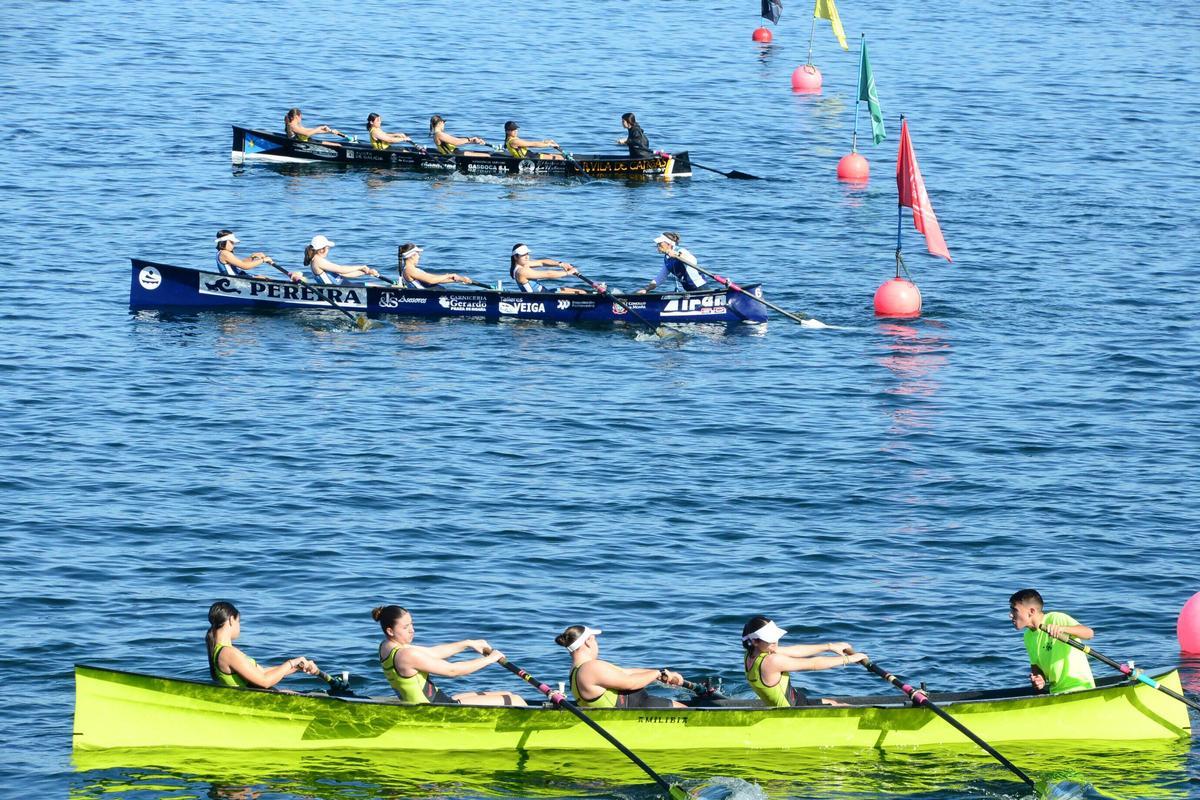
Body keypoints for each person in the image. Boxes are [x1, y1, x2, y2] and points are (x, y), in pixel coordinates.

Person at [372, 605, 527, 706]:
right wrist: (490, 659)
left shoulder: (387, 647)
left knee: (507, 694)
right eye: (406, 627)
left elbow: (433, 653)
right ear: (390, 631)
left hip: (436, 701)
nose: (412, 630)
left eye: (412, 624)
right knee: (517, 701)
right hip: (434, 710)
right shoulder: (406, 654)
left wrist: (468, 643)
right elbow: (453, 671)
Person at [741, 616, 867, 707]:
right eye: (770, 639)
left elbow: (795, 650)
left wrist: (829, 646)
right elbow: (813, 664)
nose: (775, 642)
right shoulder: (772, 661)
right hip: (793, 712)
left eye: (776, 637)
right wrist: (850, 659)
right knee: (845, 707)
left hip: (796, 701)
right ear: (755, 641)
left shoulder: (751, 654)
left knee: (835, 703)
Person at [555, 625, 686, 708]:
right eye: (595, 640)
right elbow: (631, 683)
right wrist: (658, 673)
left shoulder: (577, 669)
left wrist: (661, 674)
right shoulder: (590, 668)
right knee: (686, 711)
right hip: (639, 711)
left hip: (638, 706)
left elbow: (625, 672)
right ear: (589, 642)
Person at [206, 601, 320, 689]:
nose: (239, 626)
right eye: (238, 621)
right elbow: (265, 681)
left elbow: (263, 672)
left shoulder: (223, 651)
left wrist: (298, 666)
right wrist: (291, 662)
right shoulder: (228, 653)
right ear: (231, 620)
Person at [1009, 589, 1095, 693]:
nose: (1010, 615)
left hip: (1080, 687)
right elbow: (1036, 666)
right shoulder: (1027, 636)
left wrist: (1062, 629)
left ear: (1031, 611)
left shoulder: (1056, 618)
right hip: (1056, 691)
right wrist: (1040, 680)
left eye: (1014, 610)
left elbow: (1089, 633)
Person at [636, 232, 707, 294]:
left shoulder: (680, 250)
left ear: (669, 244)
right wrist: (646, 289)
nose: (657, 246)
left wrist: (677, 255)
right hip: (688, 289)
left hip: (700, 287)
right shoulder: (667, 259)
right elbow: (660, 277)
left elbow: (693, 260)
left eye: (660, 243)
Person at [509, 244, 587, 294]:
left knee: (582, 292)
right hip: (540, 299)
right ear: (515, 257)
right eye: (523, 255)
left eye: (527, 254)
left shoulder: (524, 264)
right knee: (582, 293)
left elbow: (542, 262)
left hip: (545, 292)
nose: (527, 257)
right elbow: (547, 274)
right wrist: (568, 273)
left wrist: (560, 264)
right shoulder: (522, 271)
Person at [304, 235, 380, 285]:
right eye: (328, 248)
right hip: (340, 290)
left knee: (374, 286)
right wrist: (360, 267)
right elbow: (341, 269)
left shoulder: (319, 260)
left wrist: (365, 272)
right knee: (375, 287)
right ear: (321, 250)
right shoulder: (318, 261)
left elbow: (343, 274)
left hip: (347, 288)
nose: (328, 250)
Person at [397, 243, 473, 288]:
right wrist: (449, 275)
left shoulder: (411, 269)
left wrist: (459, 279)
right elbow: (431, 280)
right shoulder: (410, 270)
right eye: (418, 254)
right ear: (412, 255)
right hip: (429, 297)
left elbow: (432, 279)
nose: (419, 257)